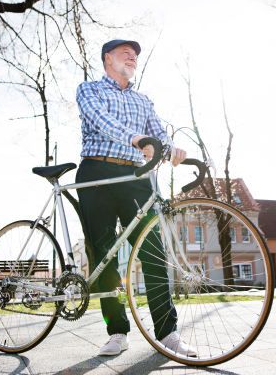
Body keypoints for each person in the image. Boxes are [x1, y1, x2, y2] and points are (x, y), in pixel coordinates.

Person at [75, 39, 196, 357]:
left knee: (154, 250)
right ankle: (117, 332)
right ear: (108, 59)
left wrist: (171, 149)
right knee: (104, 254)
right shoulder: (89, 89)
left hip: (136, 178)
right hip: (96, 174)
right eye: (125, 52)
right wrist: (137, 138)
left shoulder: (143, 100)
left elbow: (158, 133)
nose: (132, 57)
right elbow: (100, 120)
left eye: (135, 54)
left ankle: (167, 333)